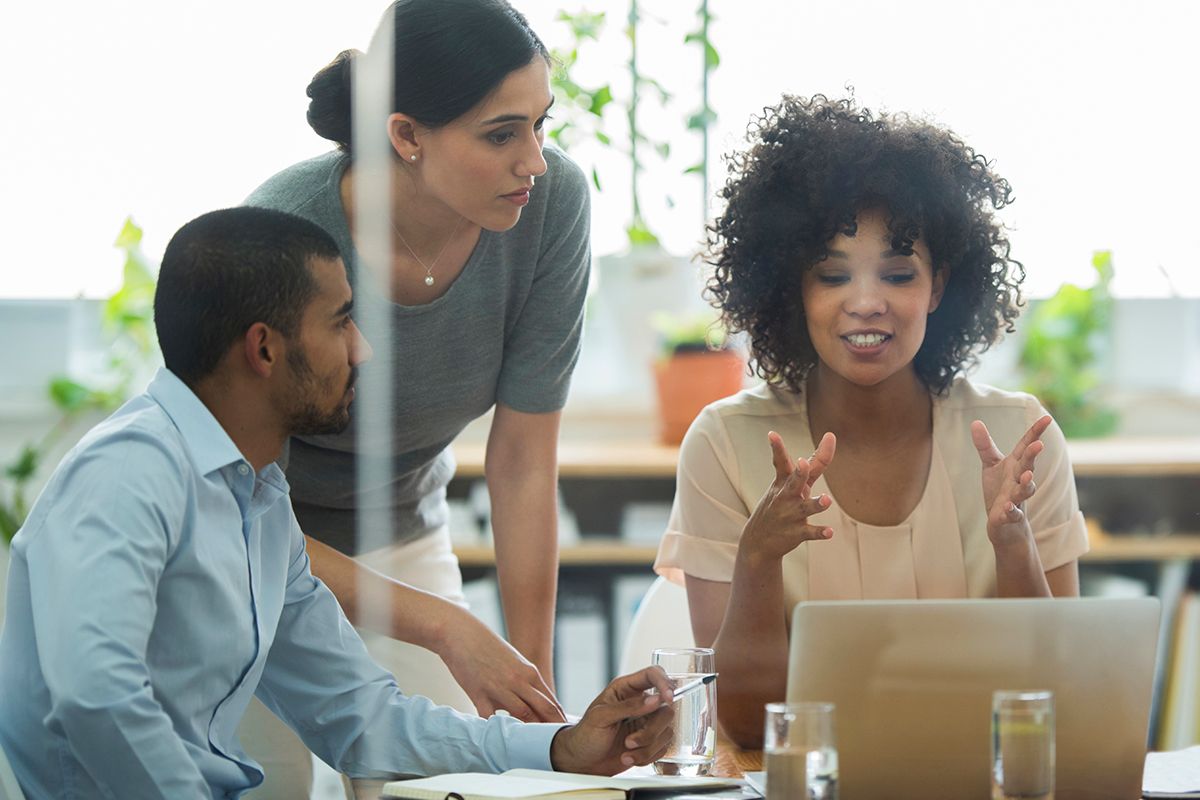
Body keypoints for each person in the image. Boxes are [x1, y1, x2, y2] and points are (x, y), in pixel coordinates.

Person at [0, 207, 675, 799]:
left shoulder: (257, 501)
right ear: (263, 348)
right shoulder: (127, 473)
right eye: (343, 321)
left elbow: (362, 717)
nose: (364, 348)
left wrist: (560, 747)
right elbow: (96, 694)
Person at [653, 95, 1090, 747]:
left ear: (938, 286)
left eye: (897, 273)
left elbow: (1054, 709)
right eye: (832, 275)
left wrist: (1013, 544)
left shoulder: (1017, 440)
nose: (865, 303)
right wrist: (757, 559)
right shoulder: (725, 442)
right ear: (791, 288)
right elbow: (744, 729)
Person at [244, 0, 585, 729]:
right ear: (406, 136)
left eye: (540, 123)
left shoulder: (552, 205)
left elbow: (524, 460)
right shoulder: (284, 234)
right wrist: (446, 626)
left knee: (443, 773)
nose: (534, 161)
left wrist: (536, 689)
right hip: (257, 545)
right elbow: (232, 504)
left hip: (402, 528)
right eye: (502, 134)